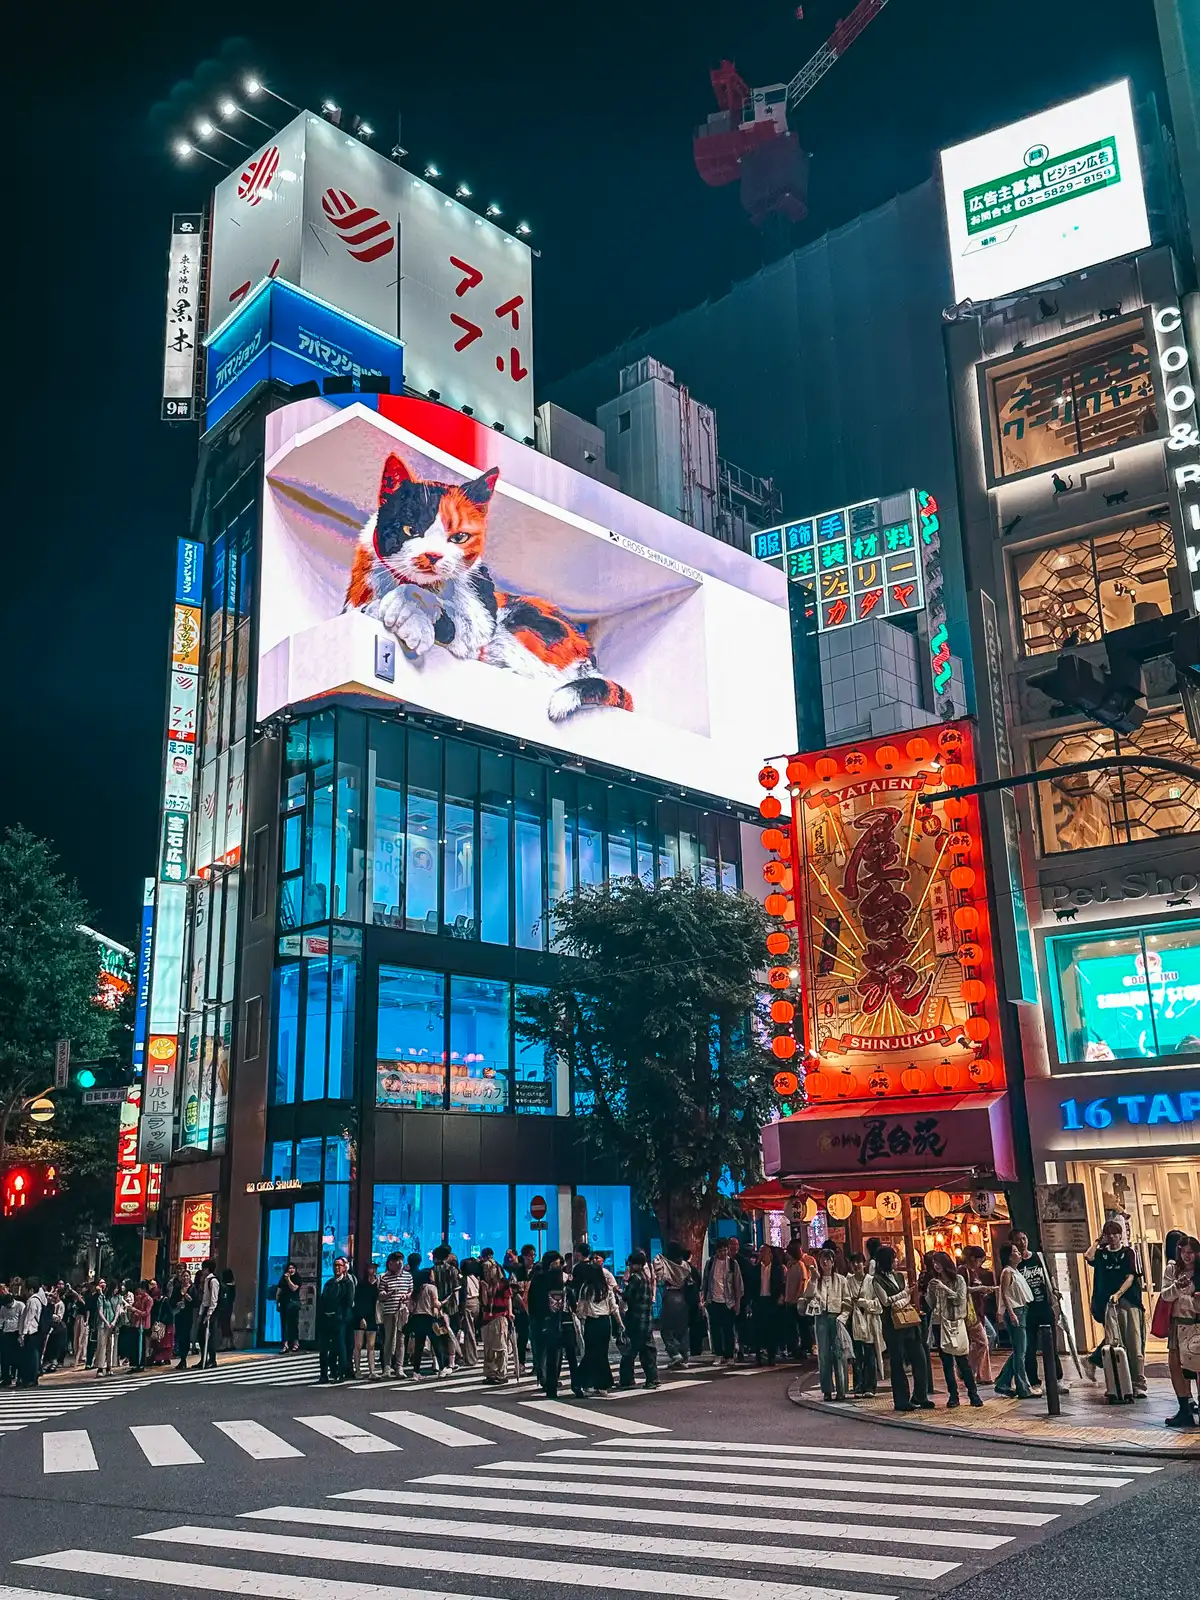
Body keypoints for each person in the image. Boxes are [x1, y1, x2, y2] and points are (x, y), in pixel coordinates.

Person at [1084, 1219, 1146, 1397]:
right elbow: (1088, 1256)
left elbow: (1131, 1277)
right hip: (1108, 1304)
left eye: (1115, 1233)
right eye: (1108, 1234)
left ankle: (1138, 1384)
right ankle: (1118, 1384)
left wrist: (1119, 1294)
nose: (1112, 1237)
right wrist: (1097, 1241)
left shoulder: (1128, 1253)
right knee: (1113, 1343)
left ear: (1121, 1235)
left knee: (1133, 1343)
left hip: (1129, 1302)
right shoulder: (1102, 1254)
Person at [872, 1246, 932, 1412]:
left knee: (919, 1358)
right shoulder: (877, 1280)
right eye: (894, 1258)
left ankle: (920, 1395)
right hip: (892, 1325)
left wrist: (898, 1300)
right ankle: (901, 1399)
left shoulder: (899, 1276)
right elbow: (885, 1302)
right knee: (897, 1361)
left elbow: (900, 1299)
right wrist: (903, 1294)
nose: (897, 1261)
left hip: (909, 1321)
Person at [1011, 1230, 1068, 1394]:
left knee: (1051, 1345)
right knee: (1030, 1348)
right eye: (1018, 1240)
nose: (1022, 1242)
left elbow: (1049, 1276)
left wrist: (1055, 1290)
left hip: (1044, 1306)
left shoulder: (1038, 1257)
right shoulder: (1014, 1264)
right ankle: (1034, 1382)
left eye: (1024, 1238)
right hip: (1026, 1310)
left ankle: (1057, 1379)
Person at [925, 1251, 982, 1408]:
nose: (936, 1265)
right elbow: (931, 1304)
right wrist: (930, 1292)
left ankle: (973, 1394)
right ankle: (953, 1396)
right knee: (946, 1363)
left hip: (956, 1323)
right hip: (939, 1324)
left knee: (962, 1361)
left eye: (938, 1262)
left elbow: (959, 1300)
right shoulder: (934, 1282)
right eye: (933, 1263)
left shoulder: (958, 1280)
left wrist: (944, 1288)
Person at [528, 1249, 584, 1399]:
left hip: (553, 1321)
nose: (559, 1266)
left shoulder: (543, 1279)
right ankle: (571, 1386)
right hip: (559, 1320)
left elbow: (533, 1302)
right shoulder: (554, 1279)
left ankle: (556, 1387)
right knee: (564, 1356)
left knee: (559, 1356)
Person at [1160, 1233, 1198, 1428]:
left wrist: (1191, 1299)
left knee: (1198, 1368)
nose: (1187, 1256)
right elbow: (1165, 1295)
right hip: (1177, 1324)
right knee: (1175, 1366)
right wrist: (1177, 1287)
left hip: (1197, 1324)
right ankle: (1184, 1409)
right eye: (1183, 1252)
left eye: (1191, 1252)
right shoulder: (1172, 1269)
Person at [993, 1241, 1036, 1399]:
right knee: (1020, 1352)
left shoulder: (1015, 1271)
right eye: (1016, 1252)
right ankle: (1022, 1387)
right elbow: (1004, 1294)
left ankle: (1003, 1382)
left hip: (1022, 1310)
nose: (1019, 1254)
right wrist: (1011, 1314)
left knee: (1021, 1349)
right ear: (1009, 1256)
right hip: (1016, 1311)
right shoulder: (1007, 1272)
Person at [809, 1247, 850, 1401]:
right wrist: (813, 1280)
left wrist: (843, 1317)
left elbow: (847, 1300)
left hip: (837, 1317)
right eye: (822, 1259)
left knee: (839, 1353)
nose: (825, 1262)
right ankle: (827, 1390)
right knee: (824, 1355)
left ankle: (842, 1389)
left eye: (828, 1259)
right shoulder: (816, 1279)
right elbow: (808, 1295)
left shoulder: (841, 1280)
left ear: (833, 1262)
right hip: (820, 1317)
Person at [576, 1261, 621, 1394]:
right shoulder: (606, 1289)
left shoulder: (586, 1289)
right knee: (602, 1354)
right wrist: (621, 1324)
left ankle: (584, 1381)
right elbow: (614, 1308)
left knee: (590, 1353)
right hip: (605, 1323)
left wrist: (581, 1318)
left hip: (591, 1323)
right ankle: (602, 1384)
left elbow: (580, 1309)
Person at [619, 1249, 659, 1390]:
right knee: (647, 1351)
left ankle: (627, 1379)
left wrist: (618, 1291)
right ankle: (652, 1378)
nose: (629, 1266)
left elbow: (627, 1296)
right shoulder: (646, 1277)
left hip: (636, 1319)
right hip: (647, 1319)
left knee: (630, 1350)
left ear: (636, 1264)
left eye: (630, 1264)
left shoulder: (635, 1278)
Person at [701, 1237, 742, 1365]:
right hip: (713, 1300)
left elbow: (738, 1285)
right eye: (721, 1251)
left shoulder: (732, 1264)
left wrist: (737, 1303)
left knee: (728, 1329)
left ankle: (729, 1355)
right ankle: (718, 1354)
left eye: (725, 1250)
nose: (723, 1253)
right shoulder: (710, 1263)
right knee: (715, 1329)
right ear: (716, 1251)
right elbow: (706, 1281)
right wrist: (704, 1299)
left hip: (728, 1301)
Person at [846, 1252, 881, 1397]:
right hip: (854, 1322)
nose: (856, 1265)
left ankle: (870, 1387)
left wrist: (864, 1303)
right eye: (853, 1262)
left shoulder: (871, 1281)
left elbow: (878, 1304)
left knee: (869, 1354)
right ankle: (858, 1385)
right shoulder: (848, 1282)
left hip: (869, 1322)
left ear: (864, 1264)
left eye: (859, 1262)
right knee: (857, 1355)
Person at [653, 1244, 693, 1369]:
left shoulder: (667, 1265)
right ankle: (684, 1355)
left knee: (666, 1329)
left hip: (670, 1296)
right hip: (682, 1298)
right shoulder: (686, 1266)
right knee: (682, 1329)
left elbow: (659, 1275)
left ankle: (675, 1354)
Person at [316, 1257, 354, 1384]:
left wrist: (342, 1316)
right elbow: (322, 1300)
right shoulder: (329, 1283)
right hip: (326, 1319)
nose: (337, 1268)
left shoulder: (348, 1283)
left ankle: (340, 1372)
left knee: (339, 1347)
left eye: (339, 1265)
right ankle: (323, 1374)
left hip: (339, 1319)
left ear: (344, 1267)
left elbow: (348, 1302)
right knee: (324, 1348)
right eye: (335, 1265)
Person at [961, 1245, 995, 1384]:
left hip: (978, 1311)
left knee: (983, 1340)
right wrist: (979, 1288)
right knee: (984, 1341)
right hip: (971, 1313)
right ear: (973, 1259)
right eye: (980, 1260)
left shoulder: (974, 1272)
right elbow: (962, 1290)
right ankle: (981, 1374)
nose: (980, 1263)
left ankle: (969, 1370)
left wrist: (983, 1291)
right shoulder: (963, 1271)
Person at [749, 1243, 786, 1365]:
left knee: (772, 1329)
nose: (761, 1254)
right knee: (758, 1329)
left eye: (763, 1252)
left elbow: (781, 1284)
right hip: (759, 1301)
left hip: (772, 1301)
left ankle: (771, 1355)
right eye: (760, 1252)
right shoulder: (755, 1269)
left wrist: (781, 1296)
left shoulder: (777, 1269)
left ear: (770, 1254)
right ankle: (758, 1356)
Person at [377, 1253, 412, 1377]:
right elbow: (380, 1295)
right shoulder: (385, 1277)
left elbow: (411, 1292)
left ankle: (399, 1367)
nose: (398, 1264)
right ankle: (387, 1366)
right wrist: (389, 1294)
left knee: (401, 1340)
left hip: (402, 1312)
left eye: (400, 1262)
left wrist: (406, 1296)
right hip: (389, 1312)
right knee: (389, 1339)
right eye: (395, 1262)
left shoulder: (408, 1276)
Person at [480, 1258, 513, 1383]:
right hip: (487, 1318)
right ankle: (490, 1373)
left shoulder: (503, 1283)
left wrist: (510, 1312)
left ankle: (501, 1373)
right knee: (488, 1348)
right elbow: (484, 1302)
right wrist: (484, 1288)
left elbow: (508, 1297)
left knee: (500, 1347)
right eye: (485, 1271)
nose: (487, 1273)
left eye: (488, 1270)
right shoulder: (485, 1283)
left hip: (500, 1316)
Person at [407, 1269, 442, 1378]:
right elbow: (435, 1303)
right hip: (428, 1317)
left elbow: (411, 1305)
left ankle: (416, 1371)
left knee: (419, 1346)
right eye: (432, 1274)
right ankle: (442, 1368)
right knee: (436, 1343)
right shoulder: (432, 1288)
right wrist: (441, 1304)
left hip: (417, 1317)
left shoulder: (417, 1289)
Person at [17, 1276, 48, 1388]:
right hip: (36, 1331)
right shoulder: (39, 1299)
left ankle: (31, 1378)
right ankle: (32, 1377)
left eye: (25, 1289)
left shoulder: (32, 1301)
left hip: (31, 1331)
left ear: (30, 1289)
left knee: (31, 1356)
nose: (24, 1292)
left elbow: (28, 1319)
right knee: (33, 1355)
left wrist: (23, 1333)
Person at [783, 1241, 811, 1361]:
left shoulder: (800, 1265)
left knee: (802, 1325)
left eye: (788, 1253)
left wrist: (797, 1296)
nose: (786, 1255)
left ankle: (804, 1347)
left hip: (798, 1301)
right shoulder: (790, 1265)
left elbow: (802, 1282)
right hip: (789, 1299)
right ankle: (793, 1347)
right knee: (791, 1326)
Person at [352, 1263, 382, 1379]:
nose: (373, 1270)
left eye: (375, 1268)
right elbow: (358, 1301)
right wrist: (360, 1317)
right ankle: (358, 1370)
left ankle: (372, 1370)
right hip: (361, 1316)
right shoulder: (361, 1284)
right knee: (358, 1345)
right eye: (371, 1268)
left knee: (371, 1345)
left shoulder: (378, 1284)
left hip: (372, 1316)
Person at [195, 1260, 220, 1369]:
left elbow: (213, 1299)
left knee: (209, 1336)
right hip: (205, 1308)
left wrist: (209, 1314)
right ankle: (203, 1358)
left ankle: (212, 1359)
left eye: (204, 1268)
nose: (202, 1270)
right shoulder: (206, 1280)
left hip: (211, 1311)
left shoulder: (213, 1281)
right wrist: (201, 1314)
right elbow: (204, 1299)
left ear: (207, 1269)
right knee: (201, 1335)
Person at [93, 1281, 119, 1379]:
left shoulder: (117, 1298)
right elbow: (100, 1311)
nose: (116, 1290)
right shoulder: (102, 1297)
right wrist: (107, 1322)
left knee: (110, 1346)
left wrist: (113, 1322)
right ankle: (100, 1367)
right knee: (102, 1345)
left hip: (112, 1324)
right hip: (103, 1324)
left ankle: (109, 1366)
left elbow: (117, 1311)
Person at [0, 1286, 24, 1388]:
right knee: (5, 1357)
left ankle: (19, 1377)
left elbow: (22, 1320)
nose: (7, 1307)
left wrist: (21, 1334)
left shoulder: (20, 1305)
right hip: (6, 1332)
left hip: (16, 1332)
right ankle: (6, 1377)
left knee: (18, 1357)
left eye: (8, 1305)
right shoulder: (3, 1308)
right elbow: (1, 1318)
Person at [276, 1263, 302, 1352]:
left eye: (293, 1268)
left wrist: (288, 1280)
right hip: (284, 1302)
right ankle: (285, 1344)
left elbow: (294, 1288)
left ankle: (295, 1343)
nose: (291, 1270)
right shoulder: (282, 1278)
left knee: (293, 1324)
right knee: (284, 1324)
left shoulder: (297, 1278)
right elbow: (279, 1290)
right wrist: (277, 1302)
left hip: (293, 1303)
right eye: (289, 1268)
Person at [129, 1281, 154, 1373]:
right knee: (135, 1345)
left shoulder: (149, 1299)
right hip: (136, 1323)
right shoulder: (138, 1298)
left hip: (143, 1325)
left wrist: (136, 1310)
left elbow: (146, 1313)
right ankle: (135, 1364)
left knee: (141, 1345)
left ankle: (141, 1364)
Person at [218, 1269, 236, 1351]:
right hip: (230, 1306)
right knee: (228, 1325)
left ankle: (224, 1344)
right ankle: (231, 1343)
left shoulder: (224, 1286)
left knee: (224, 1325)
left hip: (223, 1307)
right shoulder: (233, 1285)